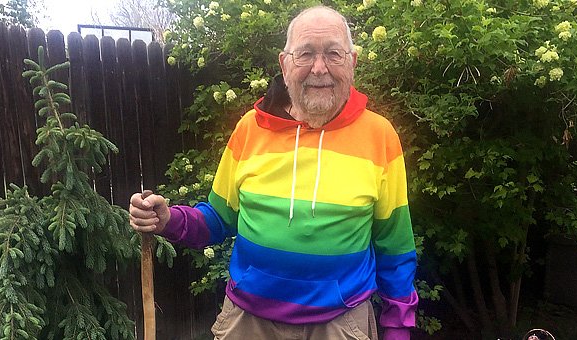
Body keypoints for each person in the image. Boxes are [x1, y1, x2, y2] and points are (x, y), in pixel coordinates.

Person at [129, 6, 418, 340]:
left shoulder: (379, 136)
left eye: (333, 54)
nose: (319, 68)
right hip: (247, 324)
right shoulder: (250, 129)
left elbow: (395, 249)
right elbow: (218, 220)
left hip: (340, 325)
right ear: (284, 64)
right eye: (305, 54)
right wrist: (168, 220)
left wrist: (397, 330)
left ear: (352, 62)